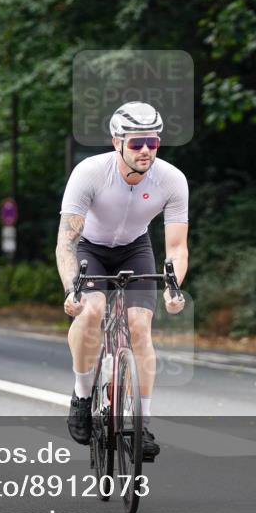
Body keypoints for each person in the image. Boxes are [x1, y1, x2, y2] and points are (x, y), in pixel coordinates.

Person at [55, 101, 189, 461]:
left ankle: (141, 422)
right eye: (136, 143)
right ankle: (83, 396)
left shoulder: (172, 180)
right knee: (91, 311)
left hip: (135, 248)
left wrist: (174, 288)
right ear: (117, 142)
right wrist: (73, 289)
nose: (146, 150)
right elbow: (66, 242)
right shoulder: (90, 173)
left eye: (153, 142)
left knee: (140, 328)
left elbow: (176, 246)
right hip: (91, 249)